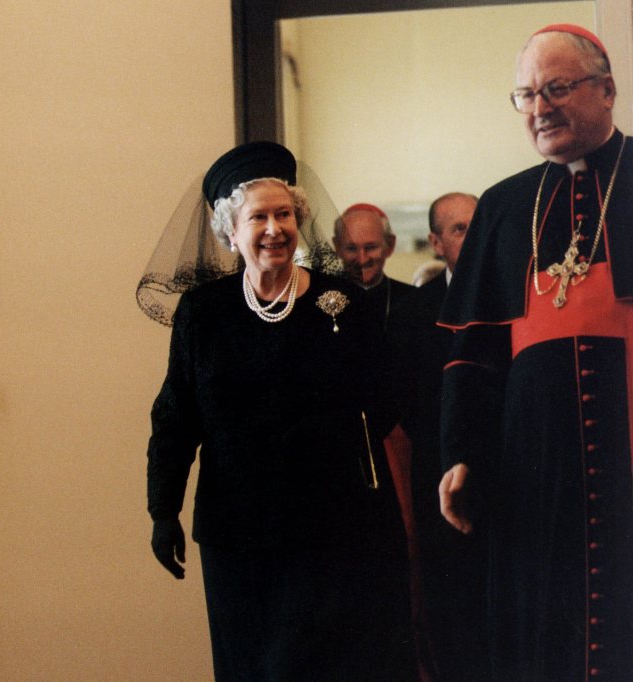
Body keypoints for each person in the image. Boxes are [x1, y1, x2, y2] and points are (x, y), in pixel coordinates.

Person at [146, 141, 415, 680]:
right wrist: (162, 510)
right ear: (230, 232)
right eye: (259, 217)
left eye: (285, 214)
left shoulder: (343, 302)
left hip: (333, 528)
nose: (274, 229)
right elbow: (176, 417)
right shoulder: (204, 313)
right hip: (237, 533)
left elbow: (385, 407)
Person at [438, 24, 633, 680]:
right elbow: (474, 353)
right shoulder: (502, 206)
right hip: (535, 474)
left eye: (557, 88)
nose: (540, 108)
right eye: (526, 95)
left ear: (606, 90)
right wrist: (461, 453)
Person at [388, 192, 484, 681]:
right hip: (435, 480)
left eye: (478, 225)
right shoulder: (410, 314)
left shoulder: (516, 297)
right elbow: (403, 406)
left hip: (503, 479)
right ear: (436, 241)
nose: (475, 236)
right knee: (448, 614)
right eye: (462, 228)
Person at [333, 203, 414, 329]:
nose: (362, 259)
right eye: (351, 248)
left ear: (390, 245)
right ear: (337, 247)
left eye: (370, 248)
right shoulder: (319, 299)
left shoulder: (415, 301)